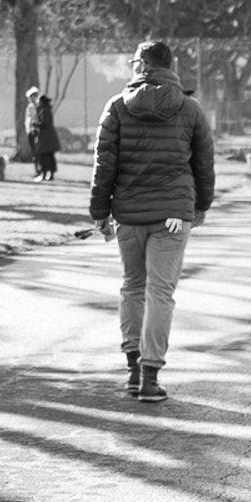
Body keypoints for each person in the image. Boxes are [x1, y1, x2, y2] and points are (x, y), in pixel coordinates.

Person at [89, 40, 215, 404]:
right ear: (170, 66)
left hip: (129, 214)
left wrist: (100, 212)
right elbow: (204, 163)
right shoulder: (190, 109)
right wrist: (201, 205)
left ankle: (133, 369)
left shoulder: (116, 107)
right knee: (160, 291)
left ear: (142, 66)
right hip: (173, 216)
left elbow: (104, 165)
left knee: (133, 286)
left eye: (134, 62)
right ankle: (150, 376)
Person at [24, 85, 60, 180]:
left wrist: (35, 124)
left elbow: (44, 123)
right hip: (46, 136)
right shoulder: (45, 109)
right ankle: (46, 173)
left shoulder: (43, 110)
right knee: (48, 156)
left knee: (44, 156)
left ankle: (44, 173)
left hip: (45, 137)